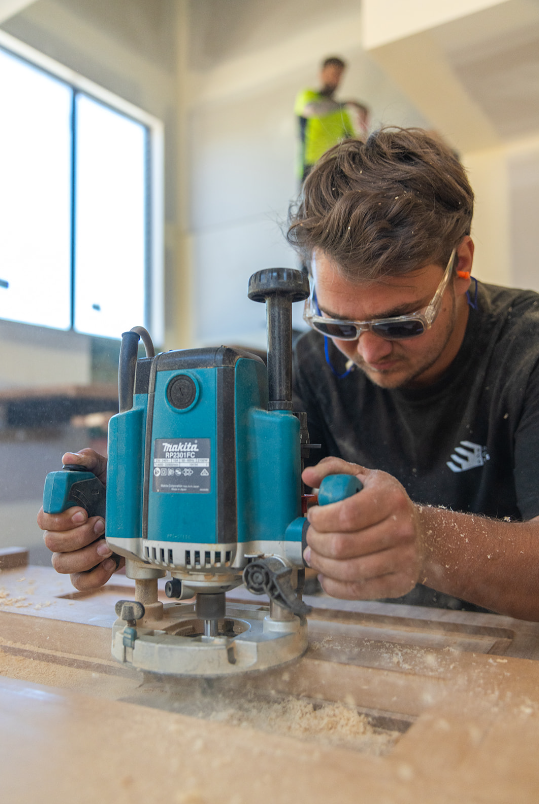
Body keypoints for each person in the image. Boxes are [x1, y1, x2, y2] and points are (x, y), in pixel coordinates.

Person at [38, 128, 539, 621]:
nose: (367, 349)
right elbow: (264, 507)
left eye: (400, 321)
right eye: (337, 323)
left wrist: (428, 543)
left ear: (462, 264)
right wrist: (136, 497)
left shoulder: (527, 351)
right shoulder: (307, 363)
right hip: (360, 638)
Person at [295, 56, 368, 182]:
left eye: (339, 75)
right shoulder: (308, 95)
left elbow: (353, 141)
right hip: (310, 167)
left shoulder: (342, 113)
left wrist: (364, 125)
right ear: (321, 74)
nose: (335, 79)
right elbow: (312, 109)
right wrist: (348, 103)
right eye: (332, 74)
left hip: (334, 167)